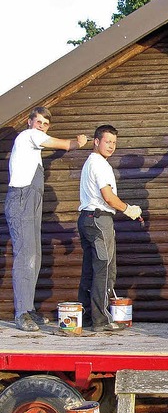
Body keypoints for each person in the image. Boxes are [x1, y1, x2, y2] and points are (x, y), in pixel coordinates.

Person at [5, 106, 88, 332]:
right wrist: (77, 143)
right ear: (29, 122)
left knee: (35, 256)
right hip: (21, 200)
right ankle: (21, 313)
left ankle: (28, 308)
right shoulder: (27, 136)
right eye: (38, 121)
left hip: (31, 202)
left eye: (45, 124)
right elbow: (60, 144)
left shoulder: (32, 152)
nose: (41, 126)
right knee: (25, 257)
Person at [78, 125, 142, 331]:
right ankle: (101, 320)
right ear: (96, 141)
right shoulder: (100, 165)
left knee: (90, 269)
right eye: (107, 142)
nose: (111, 146)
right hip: (99, 220)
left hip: (86, 219)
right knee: (105, 270)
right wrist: (128, 209)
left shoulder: (90, 162)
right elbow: (108, 197)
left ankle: (87, 316)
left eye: (114, 143)